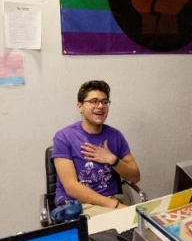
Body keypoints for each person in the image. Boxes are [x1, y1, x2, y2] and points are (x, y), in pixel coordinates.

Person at [52, 80, 141, 216]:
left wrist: (112, 160)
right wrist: (115, 205)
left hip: (112, 201)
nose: (100, 106)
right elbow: (71, 187)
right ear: (80, 106)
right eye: (94, 101)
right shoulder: (63, 137)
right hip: (77, 205)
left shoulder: (115, 136)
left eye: (104, 102)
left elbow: (135, 177)